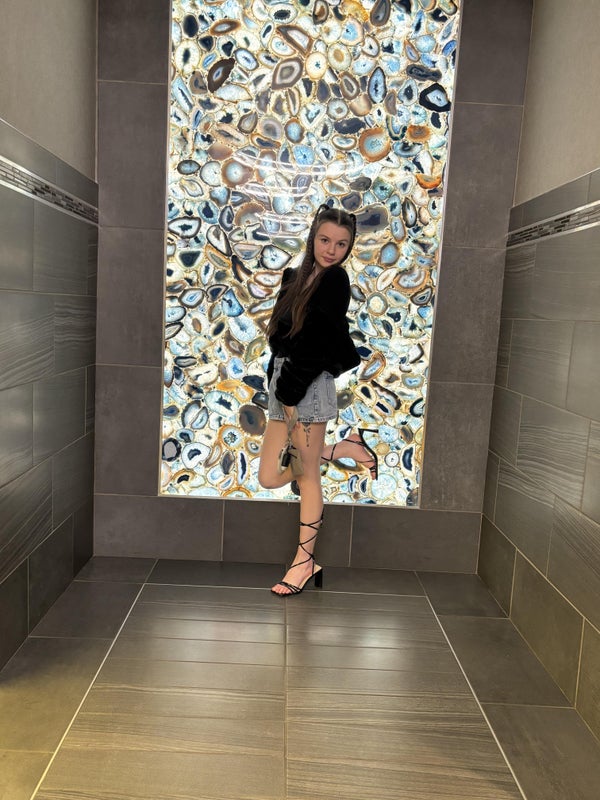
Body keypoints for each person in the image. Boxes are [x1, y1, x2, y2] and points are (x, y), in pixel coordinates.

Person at [258, 204, 378, 596]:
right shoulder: (294, 277)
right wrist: (278, 383)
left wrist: (289, 391)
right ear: (313, 238)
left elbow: (316, 344)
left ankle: (304, 561)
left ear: (349, 248)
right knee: (269, 476)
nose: (331, 250)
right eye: (325, 240)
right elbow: (279, 337)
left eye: (341, 244)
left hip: (306, 386)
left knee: (308, 477)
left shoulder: (335, 281)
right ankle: (344, 449)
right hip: (285, 383)